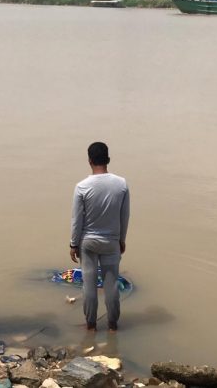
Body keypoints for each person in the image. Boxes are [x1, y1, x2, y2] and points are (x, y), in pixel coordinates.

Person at [70, 142, 130, 331]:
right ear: (108, 159)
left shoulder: (82, 187)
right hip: (111, 241)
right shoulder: (121, 184)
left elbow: (77, 220)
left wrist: (73, 244)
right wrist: (121, 239)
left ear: (89, 161)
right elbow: (125, 215)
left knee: (89, 286)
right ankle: (112, 325)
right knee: (111, 286)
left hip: (88, 242)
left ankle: (91, 325)